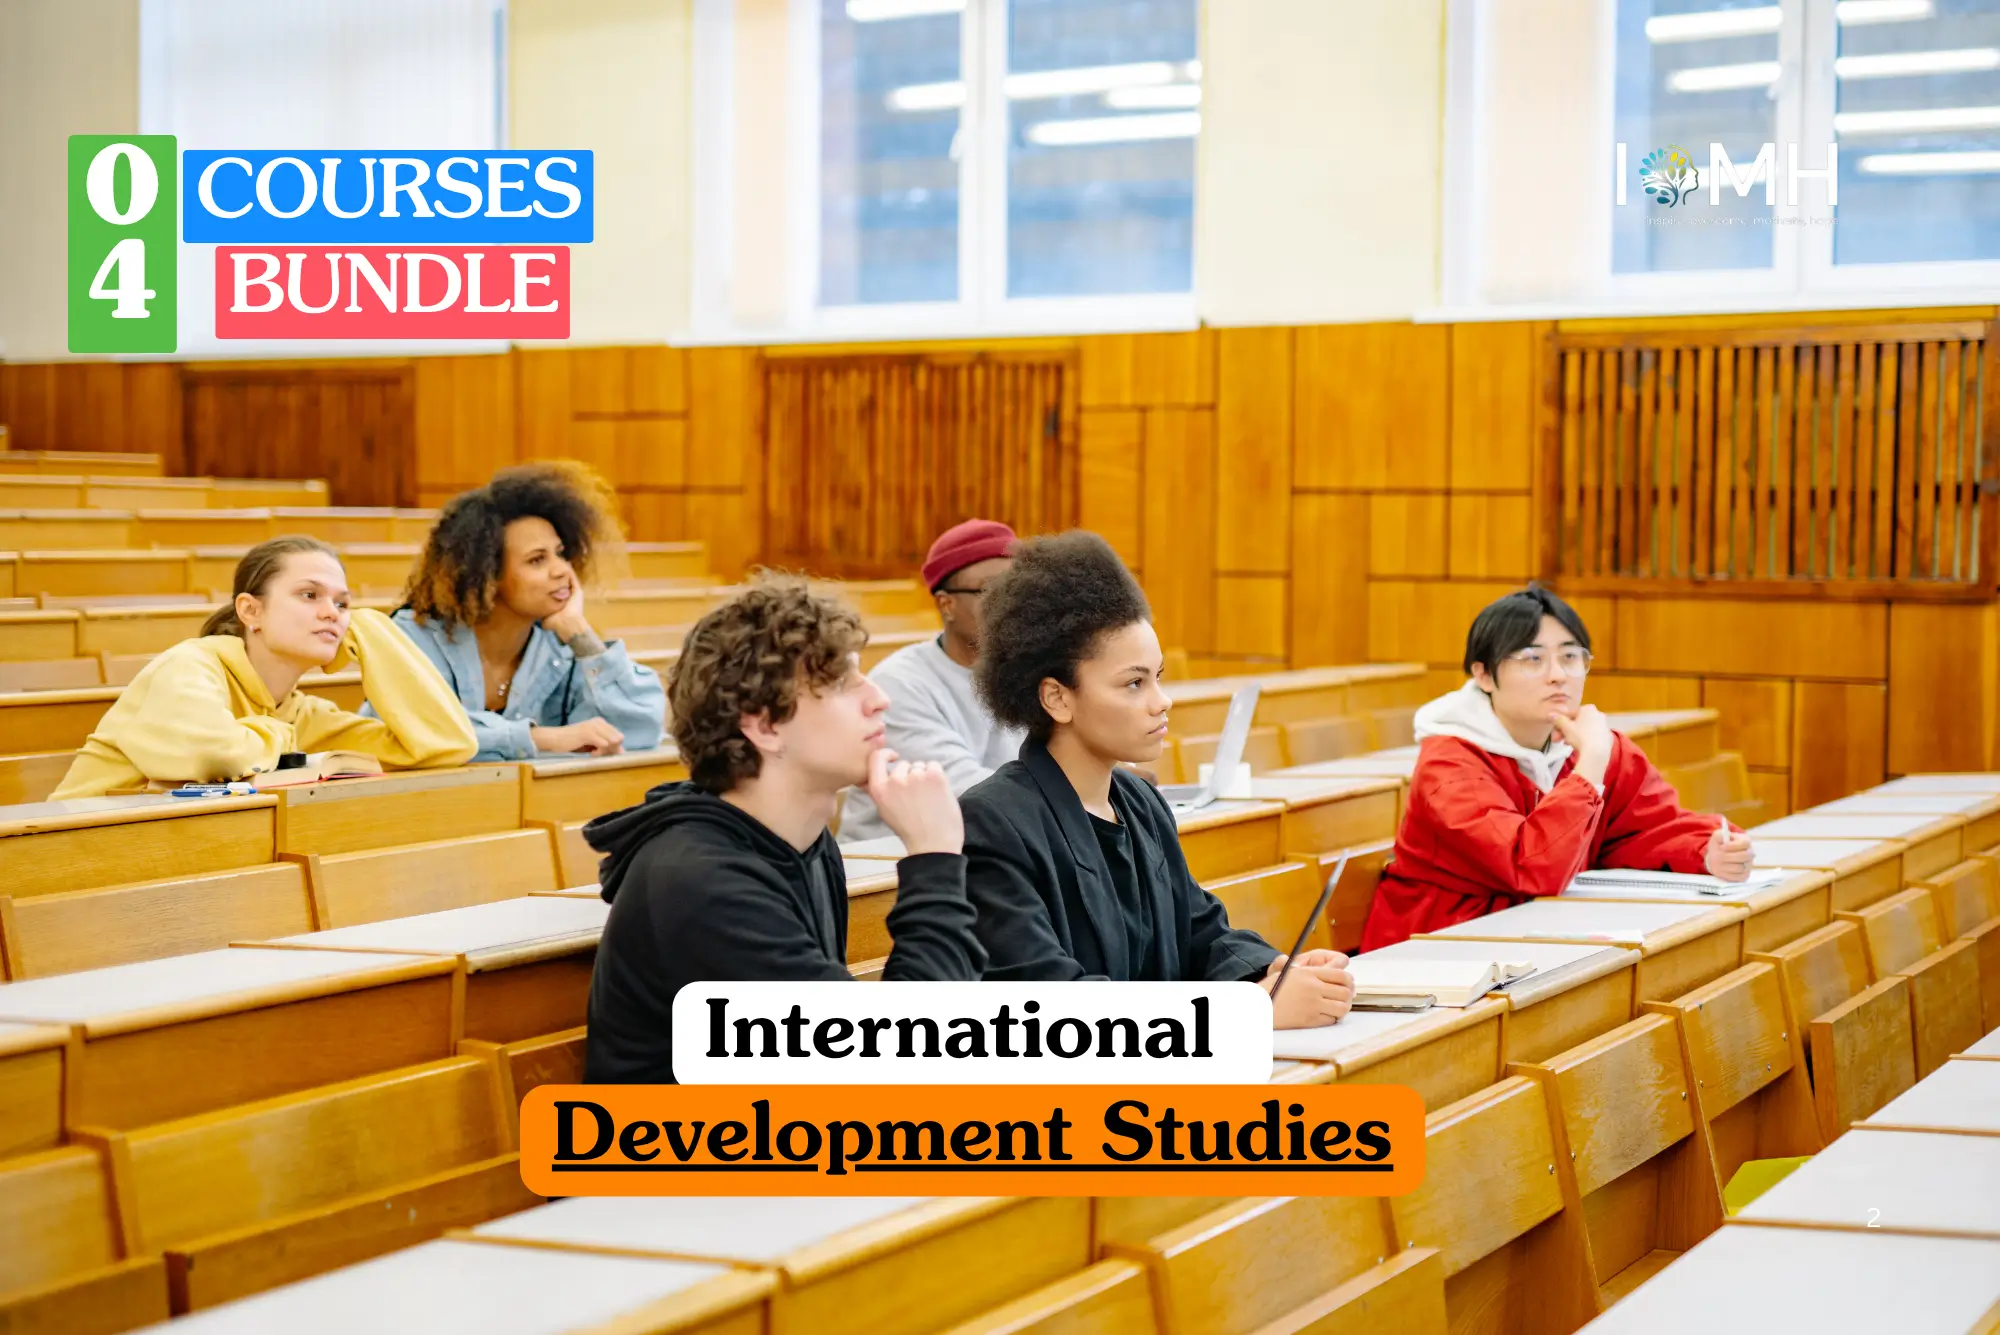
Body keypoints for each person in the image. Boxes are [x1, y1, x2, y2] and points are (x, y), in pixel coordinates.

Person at [583, 576, 987, 1084]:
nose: (879, 698)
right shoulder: (702, 883)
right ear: (766, 726)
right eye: (839, 683)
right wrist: (933, 858)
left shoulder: (806, 842)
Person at [957, 531, 1356, 1028]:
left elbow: (1201, 933)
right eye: (1133, 683)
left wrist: (1273, 972)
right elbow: (1051, 1005)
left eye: (1158, 677)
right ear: (1057, 698)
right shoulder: (991, 823)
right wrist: (1245, 1013)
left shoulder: (1139, 800)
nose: (1161, 701)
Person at [1359, 585, 1756, 951]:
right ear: (1484, 675)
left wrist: (1706, 850)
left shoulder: (1592, 747)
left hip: (1531, 934)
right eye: (1532, 659)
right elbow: (1530, 866)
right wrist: (1590, 767)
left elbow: (1645, 830)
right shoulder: (1450, 763)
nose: (1558, 676)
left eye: (1570, 657)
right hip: (1440, 947)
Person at [52, 536, 477, 800]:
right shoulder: (190, 666)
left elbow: (447, 745)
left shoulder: (300, 713)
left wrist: (372, 629)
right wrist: (286, 736)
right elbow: (214, 755)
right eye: (309, 595)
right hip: (66, 851)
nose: (332, 613)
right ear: (250, 610)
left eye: (343, 603)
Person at [384, 461, 664, 761]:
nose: (561, 570)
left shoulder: (562, 646)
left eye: (560, 554)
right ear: (487, 575)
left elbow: (640, 729)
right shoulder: (413, 637)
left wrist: (581, 635)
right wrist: (542, 738)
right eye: (537, 560)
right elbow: (417, 728)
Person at [838, 518, 1026, 843]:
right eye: (992, 590)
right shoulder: (899, 684)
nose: (1011, 605)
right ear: (946, 604)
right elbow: (973, 795)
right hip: (887, 862)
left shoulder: (1031, 671)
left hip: (995, 847)